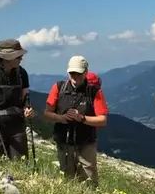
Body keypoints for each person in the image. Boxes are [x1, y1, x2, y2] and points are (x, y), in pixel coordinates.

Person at [43, 56, 108, 186]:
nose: (75, 76)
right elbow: (47, 114)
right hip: (64, 142)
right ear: (68, 72)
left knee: (89, 181)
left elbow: (103, 120)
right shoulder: (58, 87)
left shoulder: (94, 91)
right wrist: (61, 118)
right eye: (72, 73)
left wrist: (82, 118)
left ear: (85, 72)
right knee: (67, 180)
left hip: (86, 144)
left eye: (78, 73)